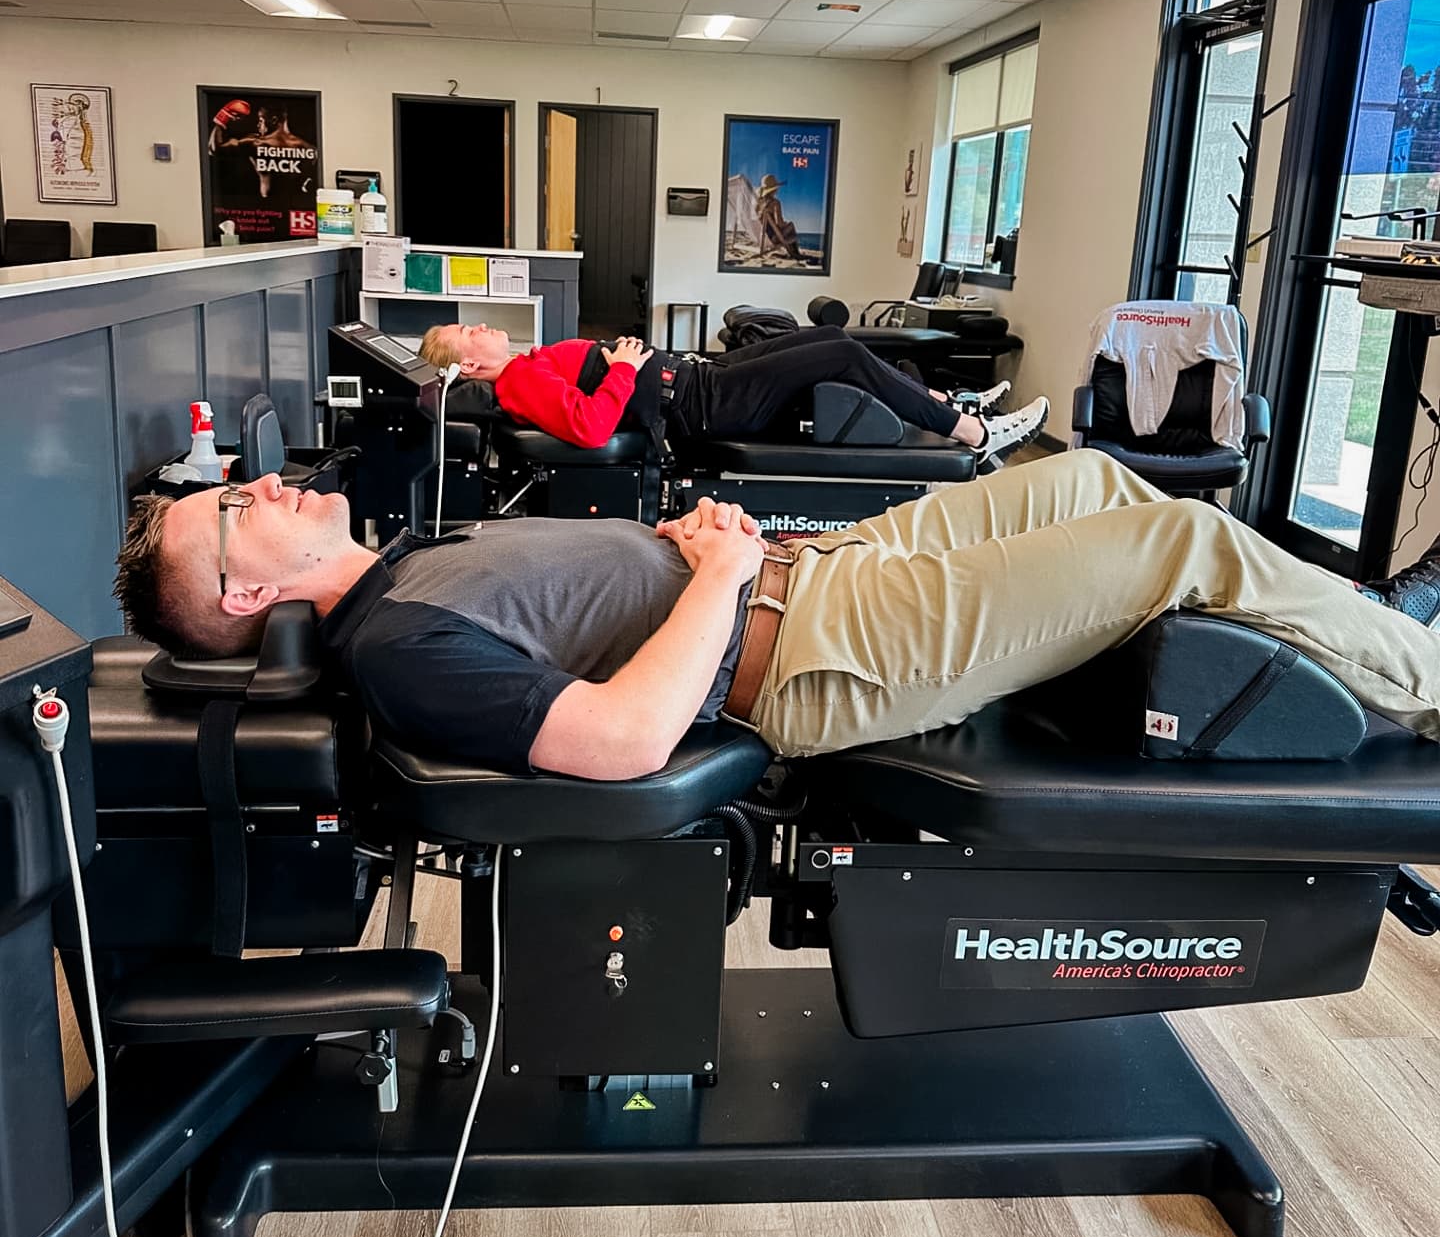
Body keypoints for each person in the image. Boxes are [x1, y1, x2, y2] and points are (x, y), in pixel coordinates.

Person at [116, 453, 1440, 785]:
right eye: (236, 508)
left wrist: (709, 546)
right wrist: (717, 573)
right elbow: (628, 737)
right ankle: (1418, 668)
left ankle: (1355, 626)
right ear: (247, 593)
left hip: (816, 570)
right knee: (1178, 536)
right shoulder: (399, 647)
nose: (264, 484)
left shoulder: (404, 570)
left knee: (1093, 481)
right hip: (819, 651)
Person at [417, 319, 1048, 461]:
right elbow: (589, 426)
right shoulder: (519, 381)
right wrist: (624, 368)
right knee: (841, 352)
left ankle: (944, 405)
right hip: (703, 404)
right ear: (468, 368)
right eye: (466, 332)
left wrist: (617, 361)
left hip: (701, 376)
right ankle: (974, 432)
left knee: (826, 334)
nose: (480, 324)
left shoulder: (528, 363)